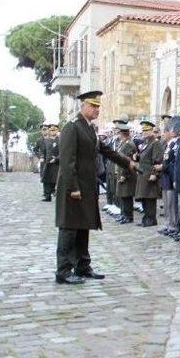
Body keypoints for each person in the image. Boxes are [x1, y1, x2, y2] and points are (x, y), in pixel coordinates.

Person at [55, 90, 137, 284]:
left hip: (86, 187)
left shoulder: (90, 129)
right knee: (68, 229)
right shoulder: (72, 128)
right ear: (82, 106)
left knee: (83, 228)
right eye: (93, 106)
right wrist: (73, 187)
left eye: (98, 106)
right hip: (72, 188)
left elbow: (106, 150)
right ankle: (63, 271)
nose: (96, 109)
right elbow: (67, 162)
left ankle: (82, 266)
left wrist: (128, 163)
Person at [135, 120, 163, 227]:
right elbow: (143, 157)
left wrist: (154, 174)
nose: (144, 133)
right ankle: (146, 217)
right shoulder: (146, 143)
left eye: (147, 131)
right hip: (143, 174)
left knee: (150, 198)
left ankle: (151, 219)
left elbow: (157, 160)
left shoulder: (155, 143)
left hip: (149, 174)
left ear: (152, 131)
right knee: (144, 198)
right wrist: (137, 156)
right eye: (143, 131)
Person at [157, 119, 180, 236]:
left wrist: (163, 167)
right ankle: (168, 223)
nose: (163, 134)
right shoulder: (167, 145)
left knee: (172, 205)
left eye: (165, 132)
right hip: (165, 179)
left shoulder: (175, 145)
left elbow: (173, 163)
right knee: (166, 204)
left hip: (171, 179)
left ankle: (173, 225)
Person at [114, 124, 138, 224]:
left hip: (127, 175)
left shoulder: (129, 144)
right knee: (122, 196)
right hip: (121, 172)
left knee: (127, 196)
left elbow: (128, 161)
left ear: (123, 133)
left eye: (119, 133)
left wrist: (124, 174)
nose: (118, 135)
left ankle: (128, 216)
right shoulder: (123, 143)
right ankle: (123, 214)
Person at [41, 125, 60, 202]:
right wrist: (43, 158)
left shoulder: (60, 140)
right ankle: (47, 196)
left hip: (57, 164)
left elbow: (63, 152)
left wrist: (56, 159)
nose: (53, 132)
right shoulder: (46, 140)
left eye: (54, 130)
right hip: (48, 163)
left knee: (57, 180)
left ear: (57, 131)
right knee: (46, 180)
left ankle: (58, 195)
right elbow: (44, 151)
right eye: (51, 130)